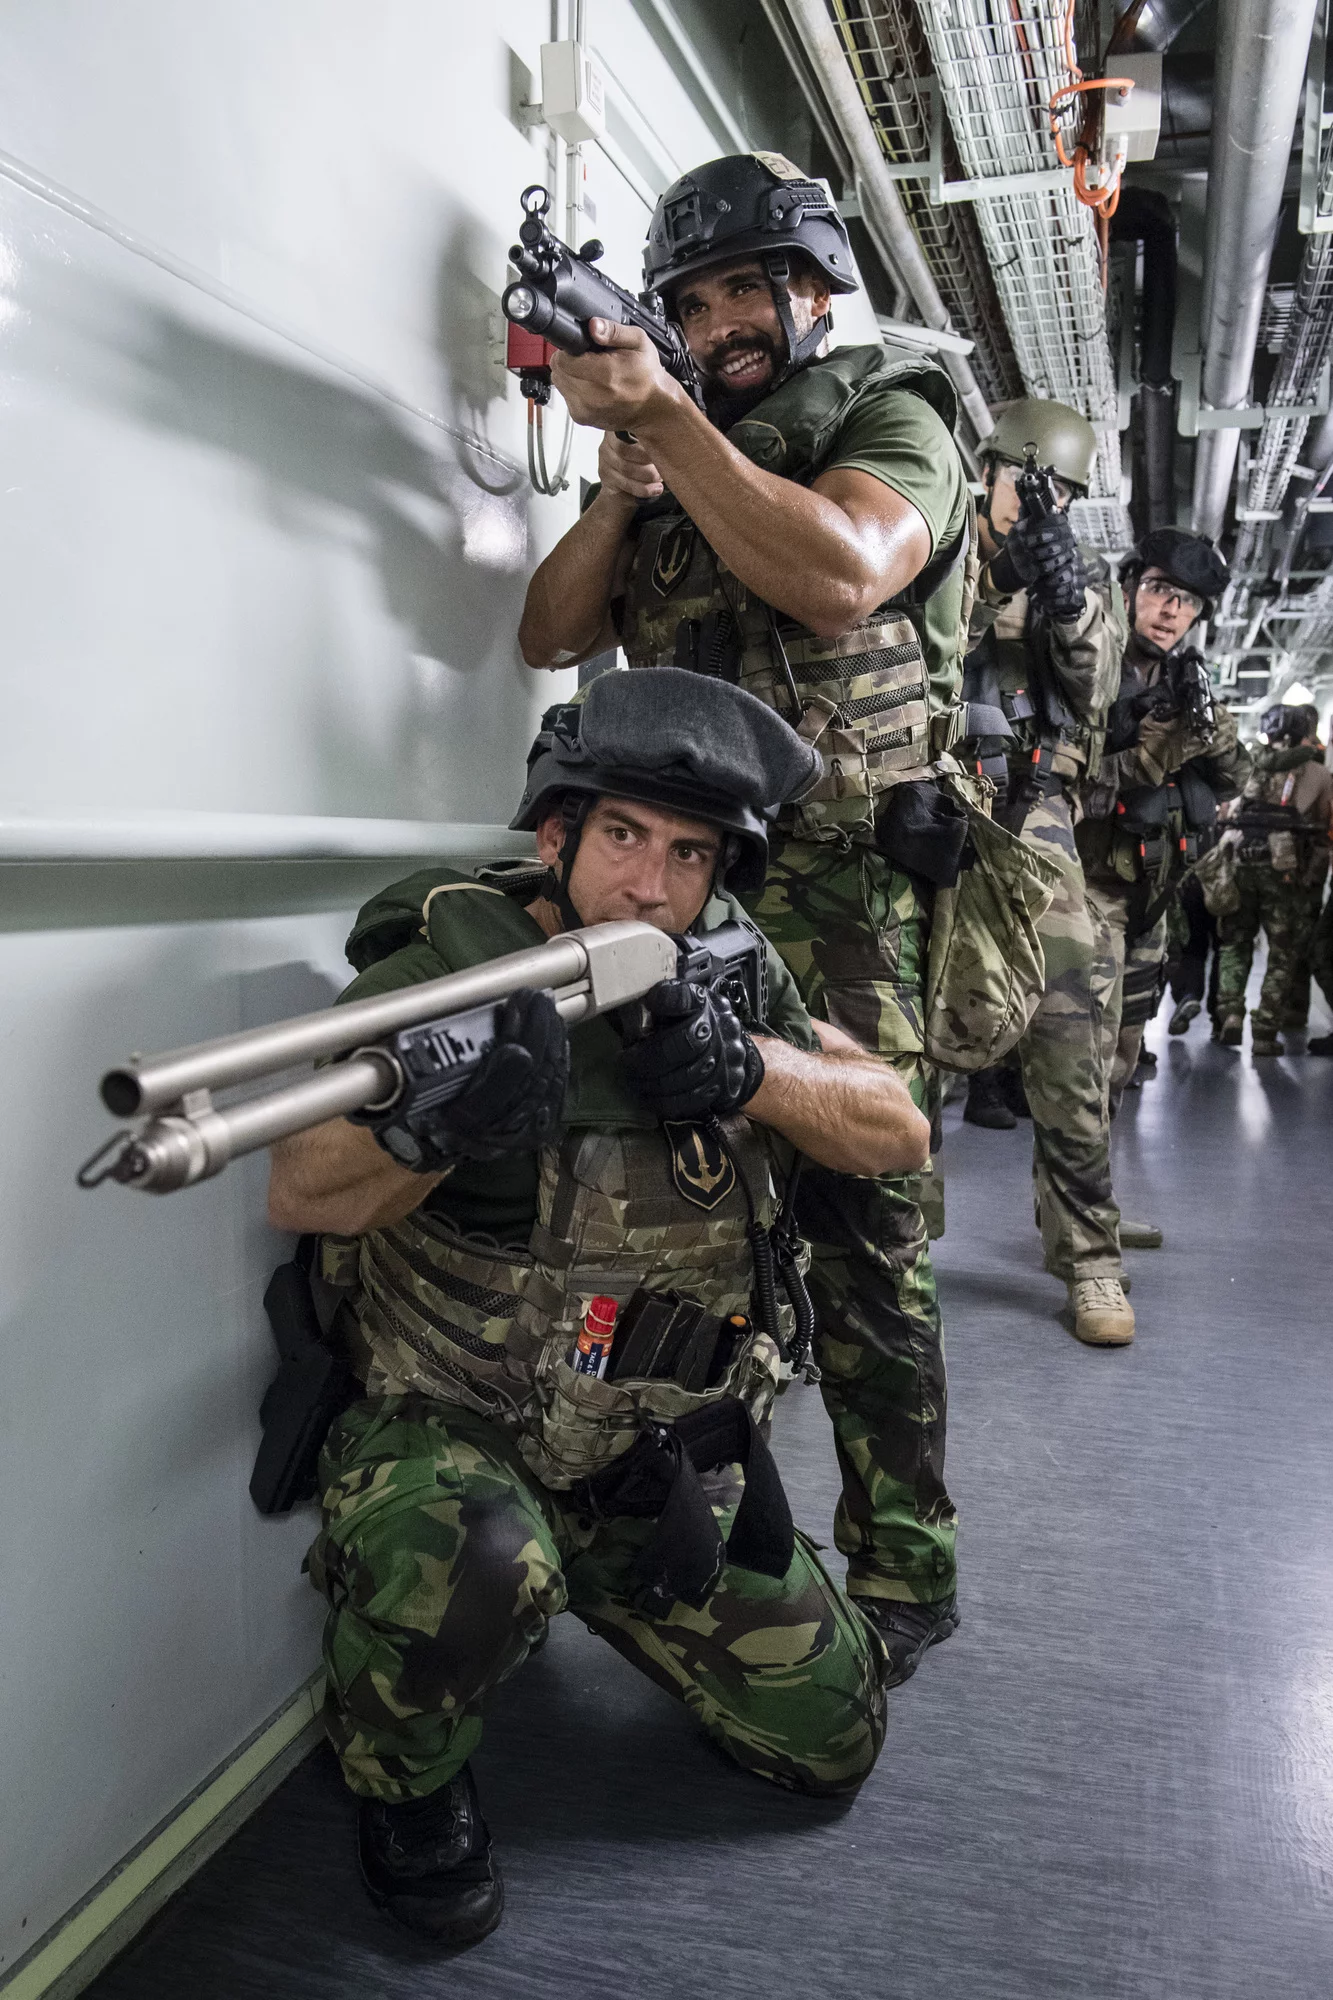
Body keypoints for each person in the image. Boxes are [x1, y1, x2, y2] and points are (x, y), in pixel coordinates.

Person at [266, 670, 929, 1948]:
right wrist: (435, 1128)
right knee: (475, 1557)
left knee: (834, 1737)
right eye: (623, 835)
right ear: (556, 833)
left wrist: (753, 1070)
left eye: (689, 854)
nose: (649, 886)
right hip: (461, 1441)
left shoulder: (731, 963)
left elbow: (892, 1124)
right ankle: (402, 1781)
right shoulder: (438, 970)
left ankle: (597, 1590)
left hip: (656, 1465)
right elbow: (303, 1189)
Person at [519, 153, 978, 1679]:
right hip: (684, 884)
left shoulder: (884, 418)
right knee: (680, 1206)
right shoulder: (686, 453)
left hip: (839, 895)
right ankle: (697, 1533)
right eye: (693, 301)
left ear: (812, 292)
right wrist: (622, 479)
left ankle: (903, 1563)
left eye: (743, 293)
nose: (718, 327)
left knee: (861, 1223)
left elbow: (842, 575)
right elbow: (553, 629)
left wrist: (664, 418)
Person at [957, 399, 1137, 1347]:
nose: (1041, 507)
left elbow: (1095, 692)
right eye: (1029, 488)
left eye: (1059, 495)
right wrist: (985, 580)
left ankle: (1089, 1256)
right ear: (984, 470)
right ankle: (861, 1254)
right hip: (927, 809)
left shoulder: (1077, 586)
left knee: (1072, 1018)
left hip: (1031, 816)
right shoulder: (928, 543)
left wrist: (1063, 599)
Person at [1077, 530, 1250, 1107]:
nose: (1172, 610)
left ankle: (1098, 1165)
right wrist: (1158, 752)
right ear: (1130, 589)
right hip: (1089, 889)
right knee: (1082, 1059)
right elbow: (1071, 782)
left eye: (1189, 601)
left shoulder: (1185, 684)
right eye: (1159, 590)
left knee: (1125, 1049)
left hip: (1154, 897)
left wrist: (1211, 735)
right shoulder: (1091, 671)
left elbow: (1236, 778)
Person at [1215, 702, 1332, 1056]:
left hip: (1240, 863)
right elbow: (1325, 830)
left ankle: (1230, 1016)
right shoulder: (1318, 775)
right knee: (1283, 952)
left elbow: (1229, 811)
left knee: (1236, 943)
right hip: (1285, 873)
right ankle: (1265, 1030)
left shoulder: (1250, 768)